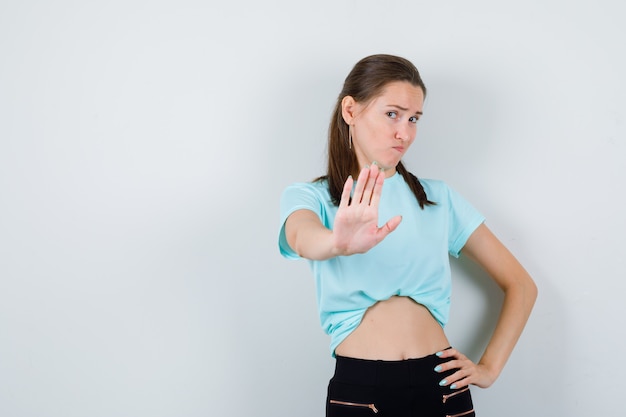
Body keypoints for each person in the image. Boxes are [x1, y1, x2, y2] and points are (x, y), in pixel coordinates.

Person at [278, 54, 537, 417]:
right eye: (392, 114)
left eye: (414, 119)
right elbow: (302, 237)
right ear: (350, 111)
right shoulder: (312, 196)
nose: (405, 132)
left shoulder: (437, 198)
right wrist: (338, 243)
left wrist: (488, 368)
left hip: (443, 386)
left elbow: (521, 285)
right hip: (361, 389)